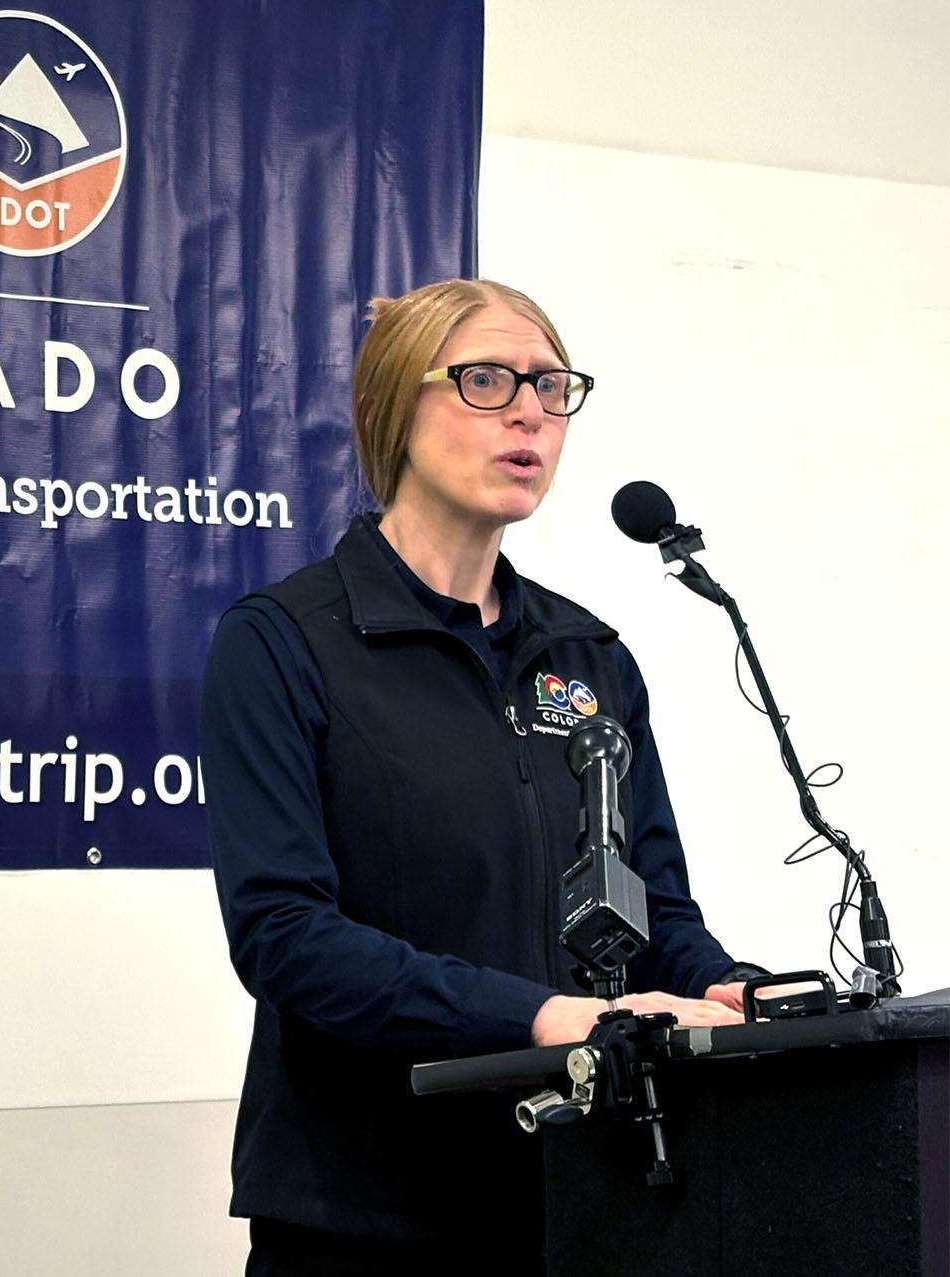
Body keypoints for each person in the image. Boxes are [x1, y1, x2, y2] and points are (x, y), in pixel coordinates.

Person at [201, 279, 761, 1274]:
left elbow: (653, 912)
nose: (528, 414)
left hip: (583, 1203)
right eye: (485, 380)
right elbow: (283, 938)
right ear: (387, 408)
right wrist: (547, 1019)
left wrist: (727, 992)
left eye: (551, 387)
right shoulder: (283, 642)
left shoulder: (588, 658)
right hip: (364, 1217)